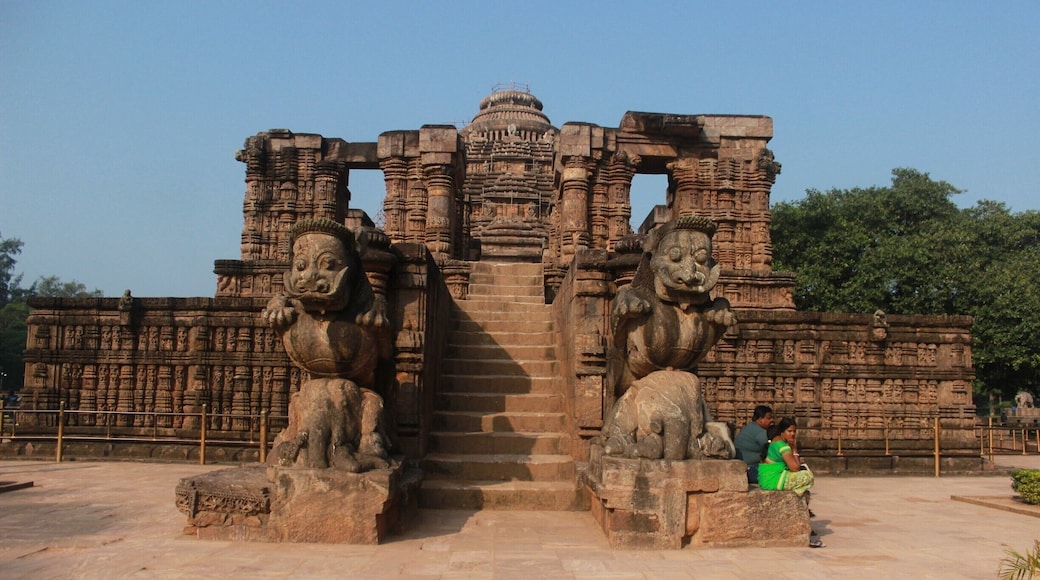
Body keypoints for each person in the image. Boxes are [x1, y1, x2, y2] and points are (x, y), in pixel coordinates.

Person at [758, 417, 824, 548]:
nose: (792, 434)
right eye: (789, 431)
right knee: (808, 476)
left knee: (806, 489)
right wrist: (794, 449)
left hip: (767, 479)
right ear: (782, 432)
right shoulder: (783, 447)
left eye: (794, 431)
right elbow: (795, 467)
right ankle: (799, 492)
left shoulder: (776, 442)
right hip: (775, 480)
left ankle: (800, 492)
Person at [733, 405, 773, 484]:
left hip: (742, 467)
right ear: (760, 419)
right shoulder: (760, 432)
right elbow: (772, 450)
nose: (771, 421)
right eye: (768, 418)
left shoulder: (749, 427)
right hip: (750, 469)